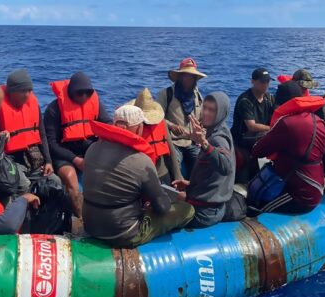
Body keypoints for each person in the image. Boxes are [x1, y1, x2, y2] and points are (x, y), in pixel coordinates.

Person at [82, 105, 194, 247]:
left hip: (91, 226)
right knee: (187, 210)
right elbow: (162, 207)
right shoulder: (141, 160)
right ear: (139, 128)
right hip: (122, 233)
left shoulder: (92, 149)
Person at [249, 80, 325, 214]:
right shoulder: (318, 120)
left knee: (255, 209)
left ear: (282, 104)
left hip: (300, 195)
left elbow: (257, 151)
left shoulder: (286, 124)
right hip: (318, 186)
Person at [44, 71, 110, 218]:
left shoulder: (96, 103)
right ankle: (80, 219)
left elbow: (108, 124)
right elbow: (51, 143)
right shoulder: (54, 109)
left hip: (88, 149)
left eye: (88, 93)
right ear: (71, 92)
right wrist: (75, 160)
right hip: (64, 153)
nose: (84, 97)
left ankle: (105, 213)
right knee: (70, 178)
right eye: (80, 93)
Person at [172, 92, 235, 228]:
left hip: (205, 213)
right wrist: (189, 184)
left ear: (221, 112)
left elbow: (226, 167)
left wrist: (205, 144)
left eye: (212, 110)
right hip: (209, 206)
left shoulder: (219, 139)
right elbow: (212, 175)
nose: (206, 113)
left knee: (159, 211)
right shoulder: (218, 130)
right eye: (204, 108)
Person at [0, 69, 57, 195]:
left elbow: (41, 134)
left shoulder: (33, 105)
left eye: (29, 90)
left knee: (56, 182)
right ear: (11, 92)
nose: (27, 94)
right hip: (9, 161)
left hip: (32, 159)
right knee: (24, 185)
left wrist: (48, 161)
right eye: (22, 91)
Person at [156, 57, 206, 174]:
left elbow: (202, 120)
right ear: (180, 76)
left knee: (204, 164)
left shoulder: (198, 96)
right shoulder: (166, 94)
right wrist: (171, 126)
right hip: (173, 142)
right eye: (185, 75)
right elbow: (156, 117)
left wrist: (201, 132)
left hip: (192, 142)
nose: (188, 78)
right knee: (174, 166)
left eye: (191, 76)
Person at [124, 88, 182, 184]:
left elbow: (171, 151)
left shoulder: (161, 122)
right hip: (140, 175)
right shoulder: (132, 126)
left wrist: (178, 176)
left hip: (162, 173)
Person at [231, 68, 275, 183]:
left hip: (260, 137)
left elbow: (277, 115)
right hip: (242, 139)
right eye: (262, 82)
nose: (265, 85)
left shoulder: (269, 98)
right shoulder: (245, 100)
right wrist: (272, 129)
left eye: (267, 82)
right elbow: (252, 126)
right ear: (253, 82)